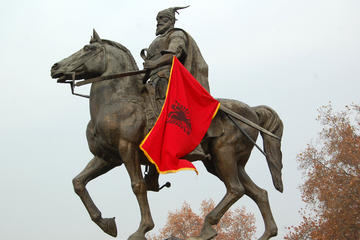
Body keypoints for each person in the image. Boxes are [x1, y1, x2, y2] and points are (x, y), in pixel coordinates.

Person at [141, 6, 211, 191]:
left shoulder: (177, 34)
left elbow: (174, 55)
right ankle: (153, 168)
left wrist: (154, 63)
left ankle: (191, 146)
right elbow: (150, 66)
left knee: (165, 114)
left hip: (170, 81)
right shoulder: (156, 41)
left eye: (162, 19)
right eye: (157, 20)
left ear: (171, 21)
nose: (158, 23)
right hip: (153, 80)